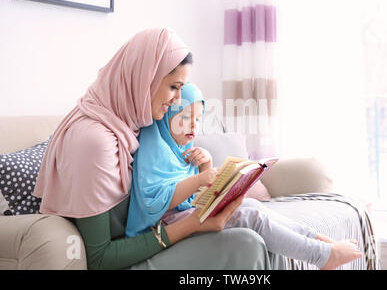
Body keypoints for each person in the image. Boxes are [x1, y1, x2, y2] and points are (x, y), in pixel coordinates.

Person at [33, 27, 269, 270]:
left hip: (155, 238)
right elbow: (99, 258)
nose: (178, 101)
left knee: (255, 224)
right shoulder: (95, 141)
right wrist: (193, 224)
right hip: (125, 258)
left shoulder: (135, 123)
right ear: (144, 78)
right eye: (173, 87)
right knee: (246, 244)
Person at [126, 82, 363, 270]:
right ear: (168, 117)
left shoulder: (179, 150)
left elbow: (195, 195)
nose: (194, 126)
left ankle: (321, 241)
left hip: (186, 217)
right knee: (250, 215)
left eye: (198, 119)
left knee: (251, 204)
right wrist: (200, 179)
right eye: (185, 118)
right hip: (166, 228)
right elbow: (155, 201)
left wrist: (206, 164)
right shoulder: (153, 150)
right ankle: (320, 255)